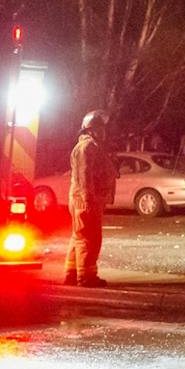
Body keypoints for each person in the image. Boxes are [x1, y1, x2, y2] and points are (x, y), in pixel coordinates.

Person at [66, 110, 116, 287]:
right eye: (99, 128)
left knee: (79, 237)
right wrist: (89, 200)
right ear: (89, 129)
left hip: (86, 198)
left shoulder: (91, 147)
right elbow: (84, 176)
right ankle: (86, 277)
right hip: (86, 198)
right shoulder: (87, 148)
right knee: (90, 238)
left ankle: (72, 273)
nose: (103, 131)